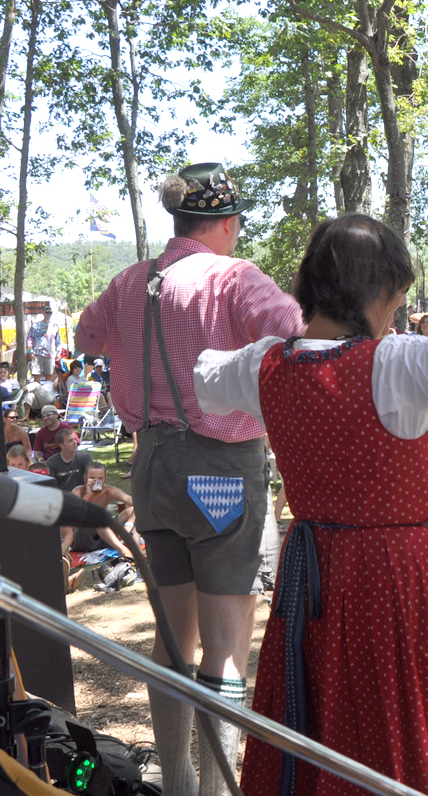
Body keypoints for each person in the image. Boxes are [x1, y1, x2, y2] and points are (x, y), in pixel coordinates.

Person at [194, 213, 428, 796]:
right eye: (397, 295)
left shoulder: (265, 363)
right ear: (379, 290)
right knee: (412, 712)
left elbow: (202, 374)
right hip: (397, 575)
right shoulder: (402, 362)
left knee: (322, 715)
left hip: (313, 573)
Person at [75, 161, 307, 796]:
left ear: (179, 221)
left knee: (172, 637)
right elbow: (294, 334)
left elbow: (85, 334)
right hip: (221, 472)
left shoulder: (129, 280)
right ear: (227, 223)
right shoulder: (234, 276)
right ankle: (215, 792)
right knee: (227, 644)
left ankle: (177, 784)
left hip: (150, 467)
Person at [61, 462, 140, 562]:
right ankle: (123, 550)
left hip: (105, 536)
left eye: (100, 479)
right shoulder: (78, 491)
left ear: (105, 479)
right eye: (92, 478)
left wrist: (129, 523)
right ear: (85, 478)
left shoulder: (109, 491)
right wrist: (87, 496)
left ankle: (129, 545)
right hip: (81, 538)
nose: (96, 481)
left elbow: (137, 504)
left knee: (130, 511)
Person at [45, 427, 94, 492]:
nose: (74, 443)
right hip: (63, 497)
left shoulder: (85, 457)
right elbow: (50, 486)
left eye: (75, 439)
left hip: (82, 496)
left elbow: (93, 478)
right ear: (61, 445)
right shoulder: (52, 462)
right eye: (70, 441)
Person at [28, 309, 60, 383]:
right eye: (46, 312)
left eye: (50, 313)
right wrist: (30, 351)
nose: (48, 314)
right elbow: (30, 338)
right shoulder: (35, 325)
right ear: (43, 313)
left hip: (50, 354)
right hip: (37, 353)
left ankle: (47, 391)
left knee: (49, 375)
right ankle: (37, 390)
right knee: (36, 375)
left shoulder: (55, 326)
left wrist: (58, 352)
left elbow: (58, 341)